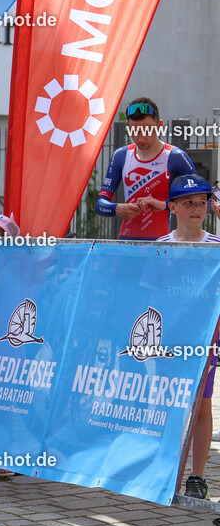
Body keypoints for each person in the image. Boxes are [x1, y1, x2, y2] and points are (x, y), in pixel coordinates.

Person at [157, 175, 220, 500]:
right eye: (187, 202)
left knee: (202, 406)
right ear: (172, 207)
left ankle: (197, 476)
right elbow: (149, 297)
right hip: (168, 343)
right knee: (169, 403)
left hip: (205, 343)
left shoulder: (216, 248)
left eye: (202, 202)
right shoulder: (160, 249)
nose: (196, 208)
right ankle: (166, 468)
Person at [96, 97, 197, 240]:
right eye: (135, 131)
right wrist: (117, 209)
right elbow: (100, 204)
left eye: (147, 130)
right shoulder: (121, 156)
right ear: (128, 126)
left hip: (160, 245)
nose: (141, 138)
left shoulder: (175, 157)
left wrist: (164, 205)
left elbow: (199, 201)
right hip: (127, 244)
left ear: (159, 126)